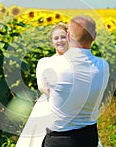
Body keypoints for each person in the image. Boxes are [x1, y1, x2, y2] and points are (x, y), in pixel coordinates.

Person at [38, 15, 110, 147]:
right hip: (89, 137)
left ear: (69, 36)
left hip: (60, 139)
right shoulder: (103, 66)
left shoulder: (50, 65)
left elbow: (45, 89)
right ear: (94, 36)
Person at [15, 22, 69, 147]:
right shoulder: (45, 62)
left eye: (63, 37)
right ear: (52, 42)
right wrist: (56, 95)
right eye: (56, 38)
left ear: (69, 38)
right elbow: (41, 85)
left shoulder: (76, 61)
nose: (60, 41)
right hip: (48, 104)